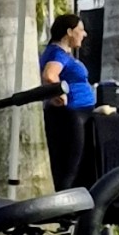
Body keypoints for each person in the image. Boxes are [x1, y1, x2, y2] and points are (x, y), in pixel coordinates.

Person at [40, 10, 99, 189]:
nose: (84, 34)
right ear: (69, 32)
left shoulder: (64, 54)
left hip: (80, 114)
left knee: (78, 165)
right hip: (71, 114)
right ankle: (63, 200)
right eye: (81, 30)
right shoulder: (58, 53)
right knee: (69, 166)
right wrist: (60, 94)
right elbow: (49, 75)